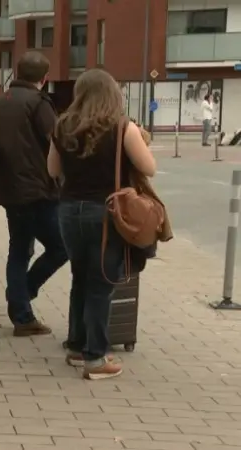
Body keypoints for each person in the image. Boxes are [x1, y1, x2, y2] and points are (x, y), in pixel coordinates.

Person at [47, 69, 156, 380]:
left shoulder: (62, 126)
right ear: (113, 93)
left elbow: (53, 169)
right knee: (101, 284)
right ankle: (96, 358)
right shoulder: (123, 127)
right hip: (106, 213)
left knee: (80, 278)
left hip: (68, 211)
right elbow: (149, 167)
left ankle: (77, 347)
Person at [0, 51, 68, 337]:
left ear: (16, 72)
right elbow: (57, 140)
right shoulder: (38, 103)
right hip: (38, 190)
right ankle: (22, 295)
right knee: (62, 247)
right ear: (44, 79)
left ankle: (21, 315)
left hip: (9, 188)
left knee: (19, 249)